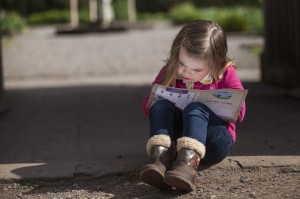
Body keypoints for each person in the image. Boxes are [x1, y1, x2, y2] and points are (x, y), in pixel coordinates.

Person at [139, 19, 246, 192]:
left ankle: (187, 166)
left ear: (214, 64)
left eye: (197, 70)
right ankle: (161, 158)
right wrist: (161, 99)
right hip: (176, 143)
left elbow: (239, 114)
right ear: (176, 54)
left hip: (213, 142)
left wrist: (211, 105)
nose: (187, 71)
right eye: (182, 63)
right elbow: (148, 107)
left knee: (195, 108)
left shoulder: (224, 73)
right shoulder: (170, 71)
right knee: (161, 105)